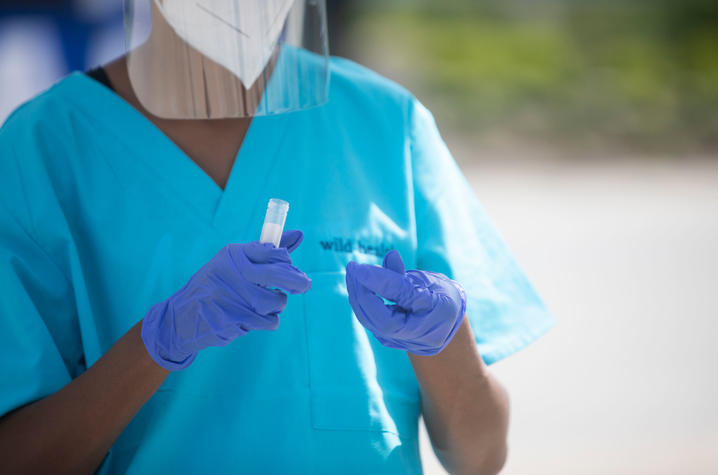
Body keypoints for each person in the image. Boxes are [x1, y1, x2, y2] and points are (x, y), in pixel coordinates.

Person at [0, 1, 553, 473]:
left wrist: (446, 343)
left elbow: (480, 457)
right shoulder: (42, 151)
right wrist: (155, 345)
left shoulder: (385, 124)